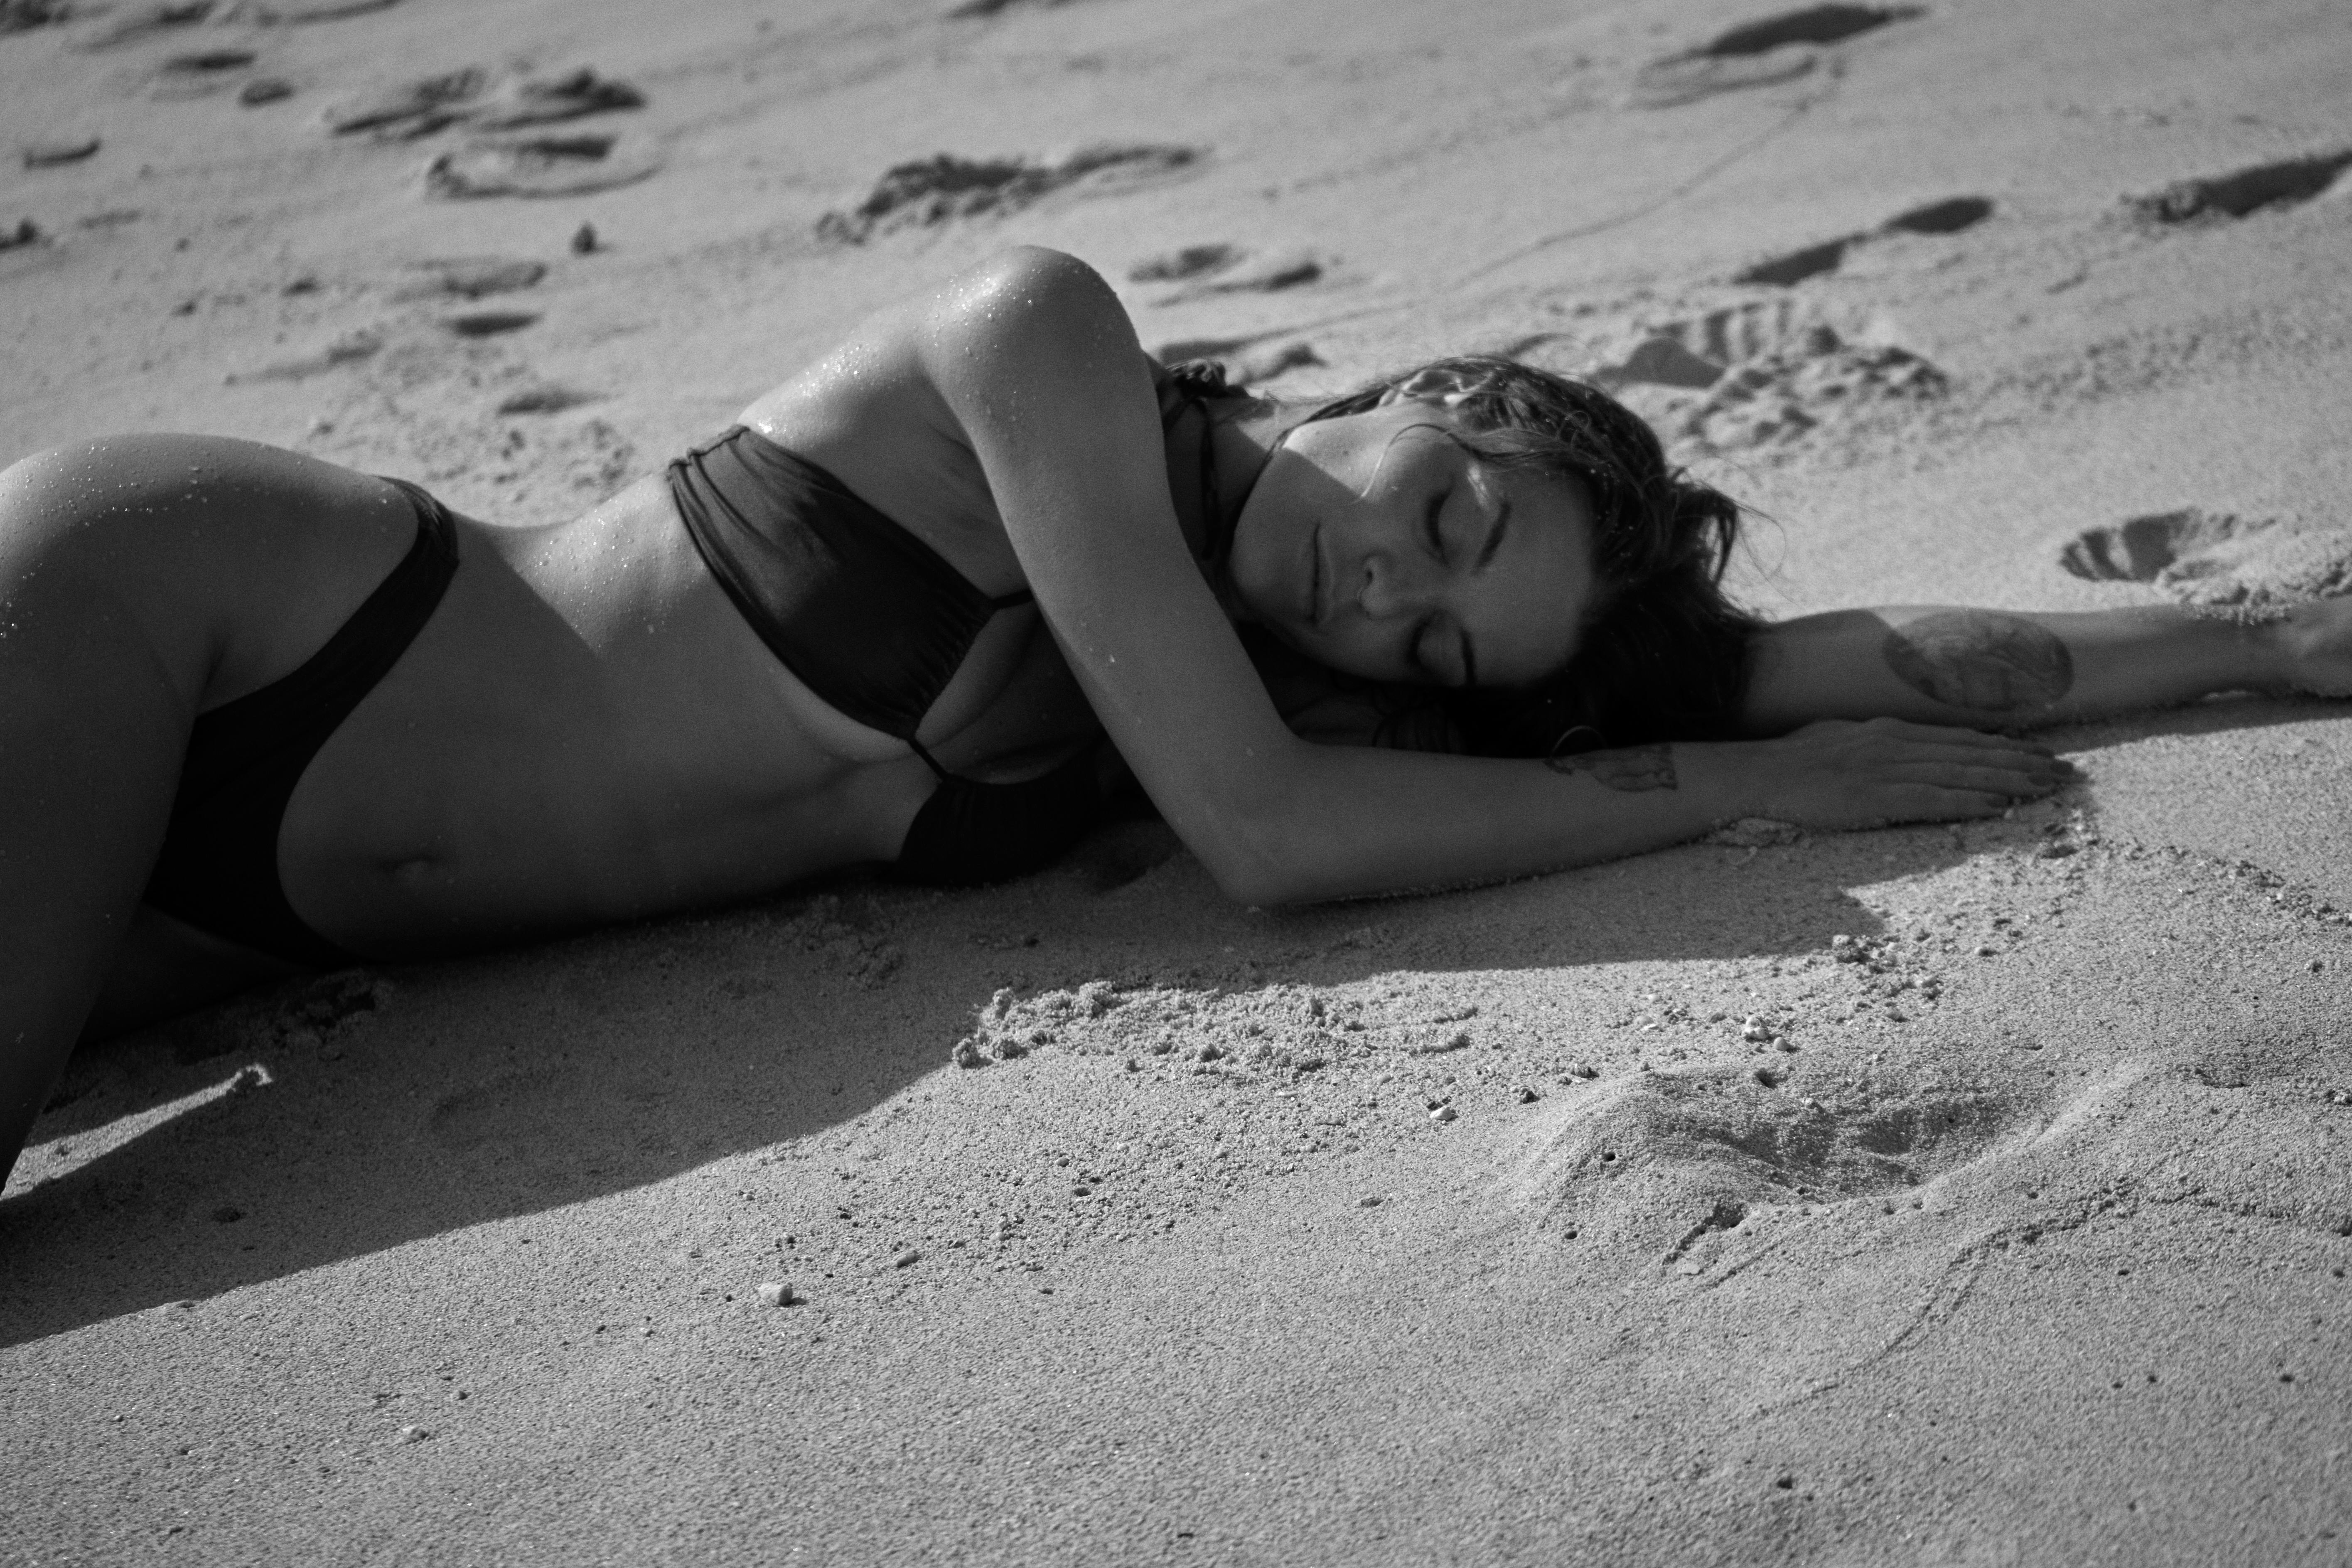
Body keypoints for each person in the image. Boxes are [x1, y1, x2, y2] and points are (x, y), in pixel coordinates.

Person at [2, 246, 2344, 1185]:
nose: (1389, 593)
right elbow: (1275, 841)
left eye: (1448, 647)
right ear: (1413, 394)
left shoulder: (1274, 668)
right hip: (222, 615)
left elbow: (1822, 661)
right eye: (1445, 513)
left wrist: (2258, 643)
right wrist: (1736, 799)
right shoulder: (1037, 339)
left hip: (251, 927)